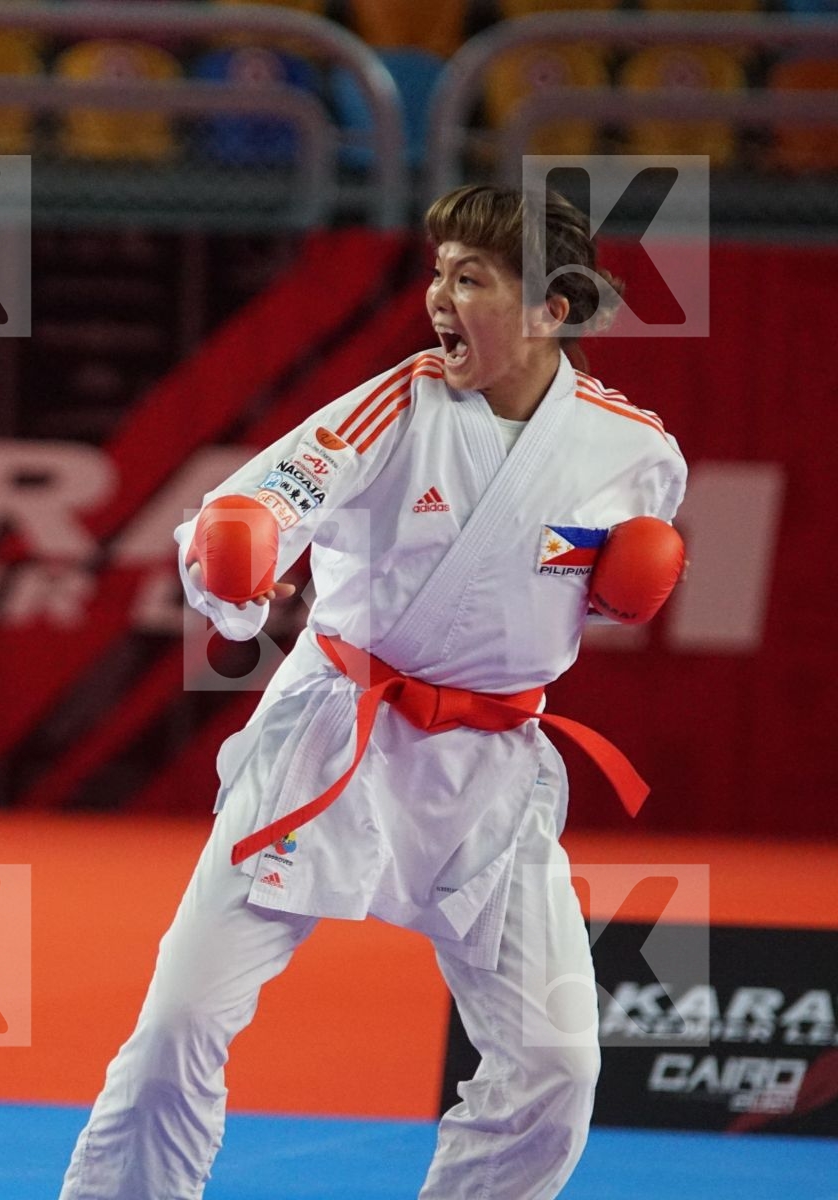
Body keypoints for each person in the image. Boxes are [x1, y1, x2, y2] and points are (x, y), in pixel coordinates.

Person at [59, 184, 689, 1199]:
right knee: (181, 1022)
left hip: (488, 770)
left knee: (557, 1066)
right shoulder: (396, 405)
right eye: (436, 271)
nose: (437, 296)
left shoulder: (637, 452)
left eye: (469, 278)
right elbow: (250, 511)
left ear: (549, 311)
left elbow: (599, 597)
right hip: (332, 741)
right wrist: (237, 564)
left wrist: (625, 592)